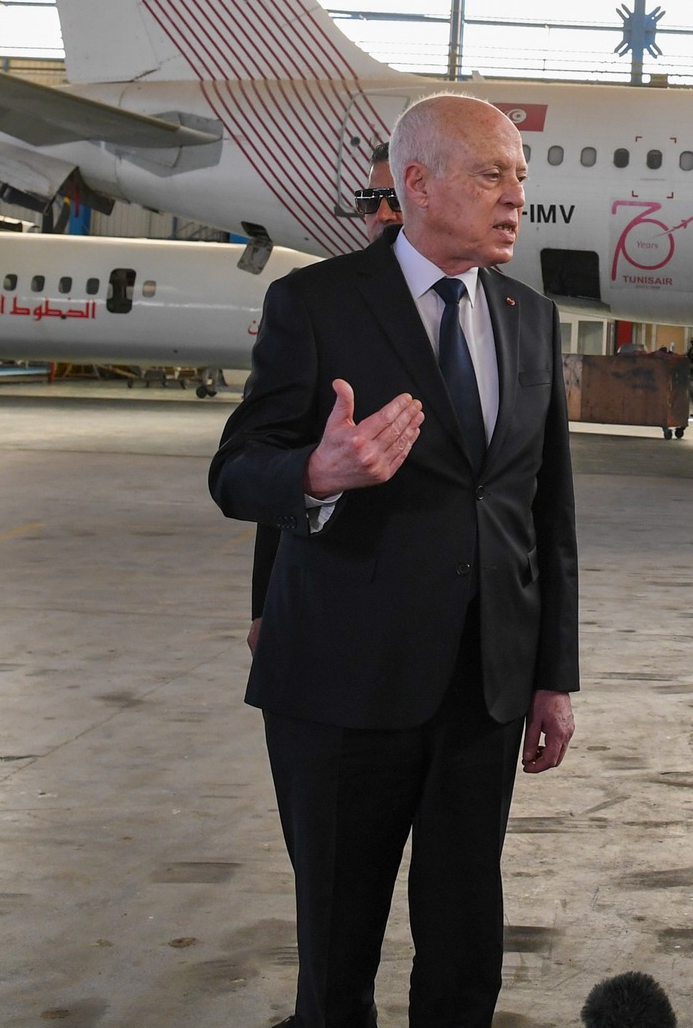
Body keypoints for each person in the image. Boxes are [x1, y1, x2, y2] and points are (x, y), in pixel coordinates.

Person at [210, 95, 580, 1028]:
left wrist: (552, 676)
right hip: (343, 686)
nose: (515, 198)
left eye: (521, 178)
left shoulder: (531, 318)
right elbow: (236, 470)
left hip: (483, 690)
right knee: (338, 953)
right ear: (416, 183)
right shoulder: (317, 303)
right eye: (492, 174)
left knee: (465, 946)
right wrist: (317, 471)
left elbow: (547, 514)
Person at [248, 141, 403, 657]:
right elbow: (268, 462)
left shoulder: (517, 315)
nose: (381, 213)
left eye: (396, 196)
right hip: (338, 617)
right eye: (370, 199)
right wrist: (264, 606)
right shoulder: (314, 306)